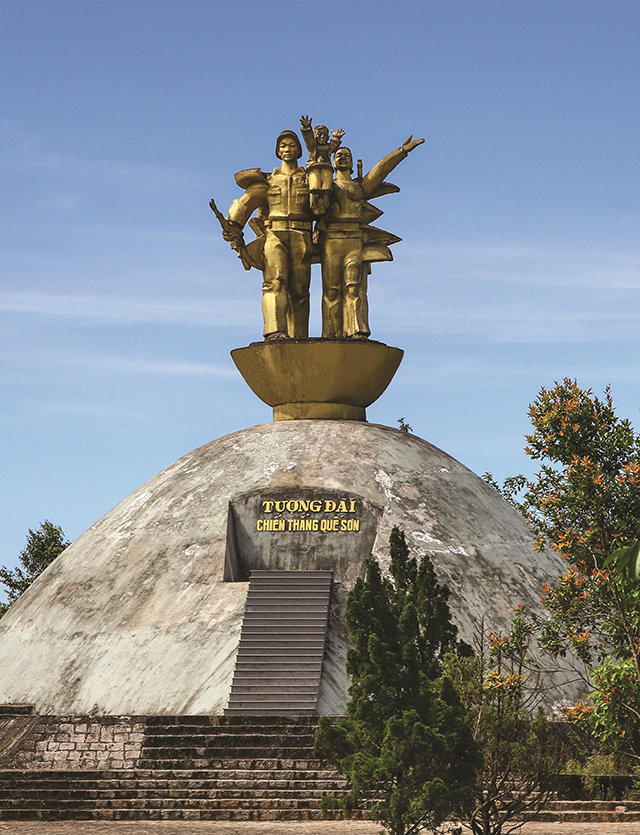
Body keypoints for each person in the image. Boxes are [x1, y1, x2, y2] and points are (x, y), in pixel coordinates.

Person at [319, 136, 424, 339]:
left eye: (346, 155)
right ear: (332, 162)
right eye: (338, 155)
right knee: (331, 291)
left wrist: (401, 151)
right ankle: (330, 335)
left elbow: (380, 170)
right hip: (331, 240)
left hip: (354, 240)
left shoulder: (360, 188)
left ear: (353, 163)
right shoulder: (326, 186)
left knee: (354, 286)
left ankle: (356, 330)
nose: (342, 157)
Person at [222, 130, 313, 340]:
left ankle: (299, 338)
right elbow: (246, 202)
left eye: (291, 145)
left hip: (301, 234)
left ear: (299, 150)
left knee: (300, 291)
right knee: (274, 282)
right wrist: (233, 226)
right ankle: (274, 331)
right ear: (278, 151)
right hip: (275, 235)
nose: (287, 149)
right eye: (283, 146)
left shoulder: (309, 179)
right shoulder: (268, 180)